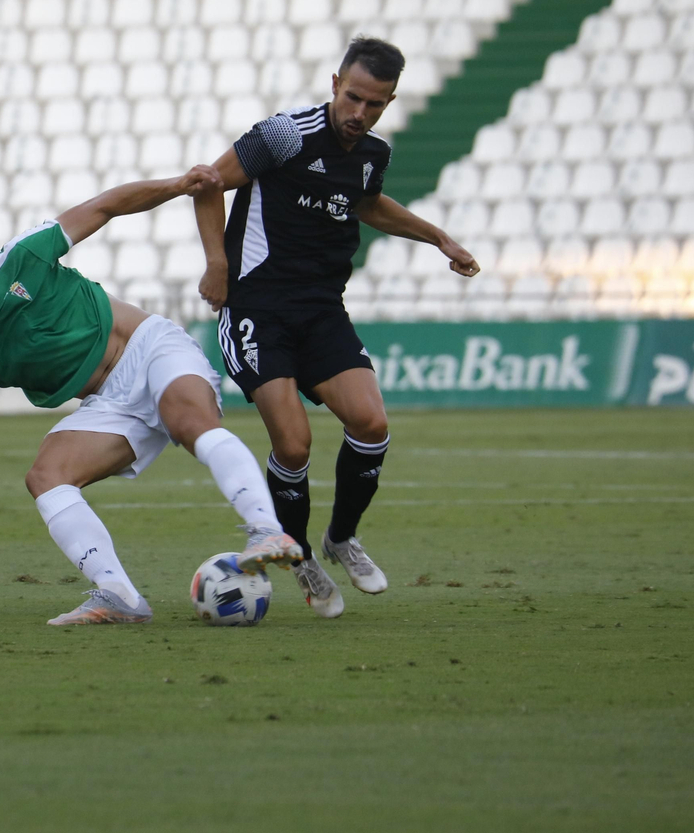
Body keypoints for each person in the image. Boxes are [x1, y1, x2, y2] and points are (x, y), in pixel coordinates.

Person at [0, 166, 303, 625]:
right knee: (46, 477)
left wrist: (178, 185)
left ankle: (265, 528)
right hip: (108, 404)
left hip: (150, 348)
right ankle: (118, 594)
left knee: (190, 424)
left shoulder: (21, 256)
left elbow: (105, 206)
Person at [192, 37, 480, 618]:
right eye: (353, 98)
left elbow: (367, 204)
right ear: (334, 84)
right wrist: (218, 266)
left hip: (323, 310)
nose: (360, 114)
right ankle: (298, 557)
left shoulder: (373, 152)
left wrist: (438, 237)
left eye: (376, 105)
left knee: (371, 423)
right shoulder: (283, 135)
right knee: (293, 444)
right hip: (258, 309)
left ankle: (340, 538)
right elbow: (207, 183)